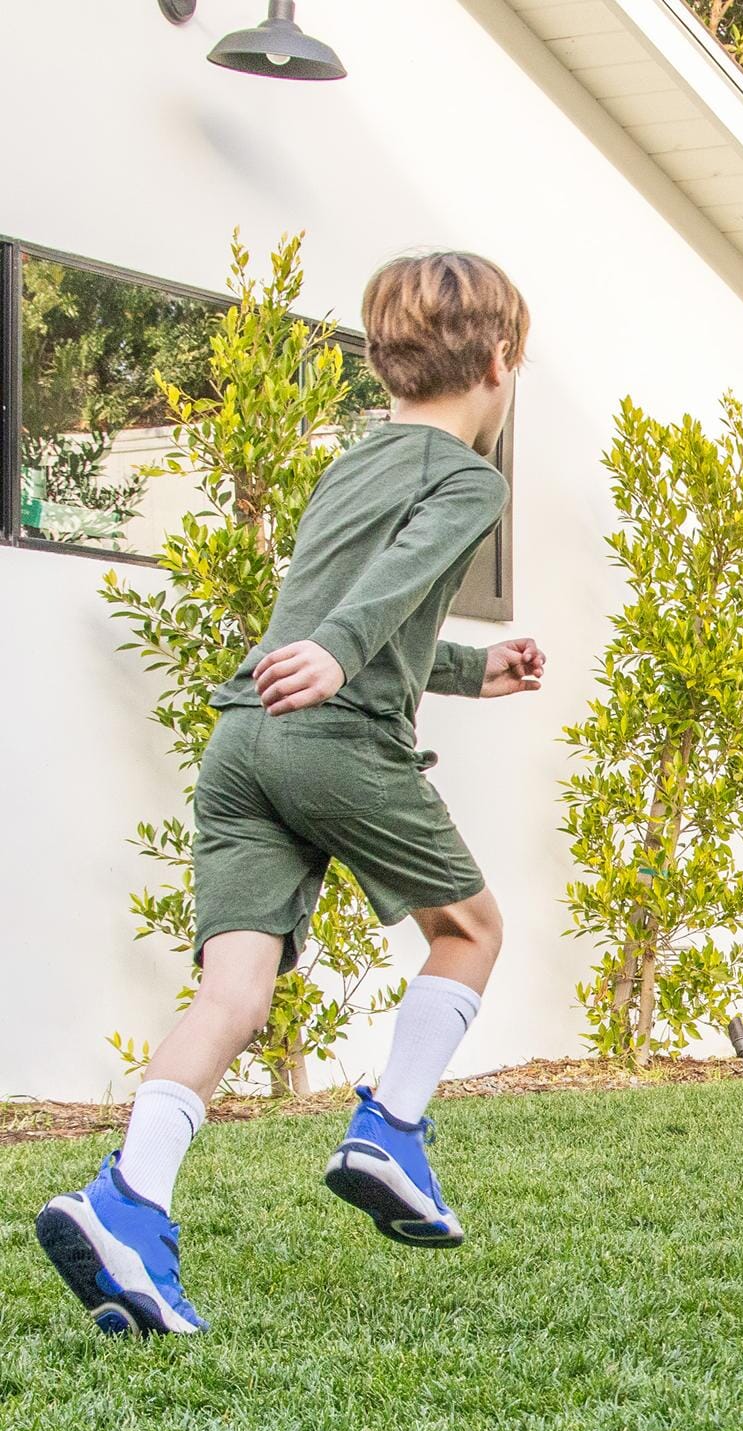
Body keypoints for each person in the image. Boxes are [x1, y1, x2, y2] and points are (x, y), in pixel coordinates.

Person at [36, 251, 545, 1334]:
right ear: (501, 360)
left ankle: (126, 1202)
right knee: (471, 930)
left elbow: (352, 608)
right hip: (332, 739)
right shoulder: (471, 478)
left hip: (243, 743)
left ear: (385, 365)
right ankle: (390, 1130)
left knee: (234, 997)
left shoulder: (353, 463)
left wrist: (468, 668)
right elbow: (386, 592)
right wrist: (342, 654)